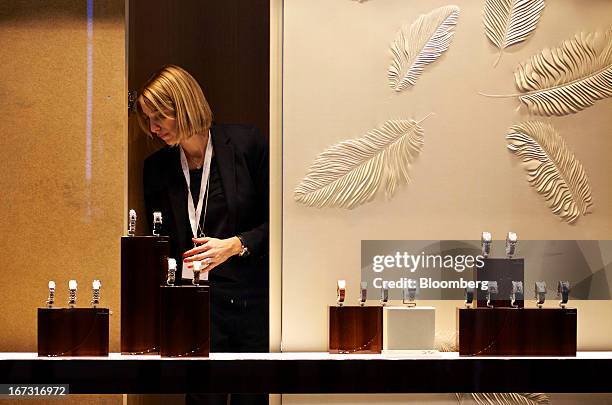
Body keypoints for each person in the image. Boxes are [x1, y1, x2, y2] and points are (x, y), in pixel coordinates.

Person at [137, 65, 269, 405]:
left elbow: (282, 225)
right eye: (148, 119)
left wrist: (235, 245)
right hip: (195, 306)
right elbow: (159, 244)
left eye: (159, 118)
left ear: (182, 106)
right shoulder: (156, 169)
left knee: (251, 399)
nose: (153, 129)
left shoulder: (246, 144)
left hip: (249, 302)